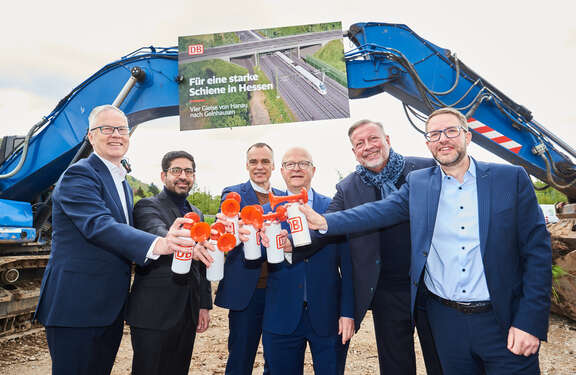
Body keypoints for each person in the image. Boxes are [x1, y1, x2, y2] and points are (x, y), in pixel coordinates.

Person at [301, 107, 552, 375]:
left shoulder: (509, 178)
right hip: (435, 313)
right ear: (428, 143)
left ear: (468, 137)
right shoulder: (419, 184)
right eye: (434, 134)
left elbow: (537, 255)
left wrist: (529, 322)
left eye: (450, 131)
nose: (443, 139)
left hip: (492, 316)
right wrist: (324, 224)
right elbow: (377, 212)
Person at [35, 105, 206, 375]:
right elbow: (98, 225)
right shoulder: (80, 174)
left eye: (122, 129)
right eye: (106, 128)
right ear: (91, 136)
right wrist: (159, 243)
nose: (116, 134)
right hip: (78, 306)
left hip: (108, 308)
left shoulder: (121, 183)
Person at [292, 120, 442, 374]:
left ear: (388, 140)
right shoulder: (348, 187)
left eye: (373, 139)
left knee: (441, 358)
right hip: (386, 290)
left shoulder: (424, 169)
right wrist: (289, 244)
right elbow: (323, 226)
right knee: (396, 364)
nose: (368, 147)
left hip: (432, 284)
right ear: (354, 152)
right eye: (359, 143)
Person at [261, 147, 354, 375]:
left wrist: (348, 312)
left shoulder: (334, 208)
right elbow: (255, 260)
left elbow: (349, 265)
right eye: (290, 164)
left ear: (313, 169)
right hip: (281, 317)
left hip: (328, 316)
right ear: (281, 171)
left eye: (303, 163)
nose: (296, 168)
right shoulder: (265, 212)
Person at [125, 151, 212, 375]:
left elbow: (201, 264)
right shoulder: (147, 206)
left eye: (188, 171)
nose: (183, 176)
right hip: (154, 312)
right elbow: (156, 230)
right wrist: (177, 243)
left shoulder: (198, 213)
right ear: (164, 176)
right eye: (176, 170)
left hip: (188, 312)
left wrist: (204, 305)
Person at [214, 142, 283, 375]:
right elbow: (231, 217)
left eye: (265, 161)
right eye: (254, 161)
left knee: (276, 359)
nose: (259, 166)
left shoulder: (284, 197)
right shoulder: (232, 193)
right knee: (241, 357)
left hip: (280, 290)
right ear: (246, 165)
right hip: (247, 292)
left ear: (273, 166)